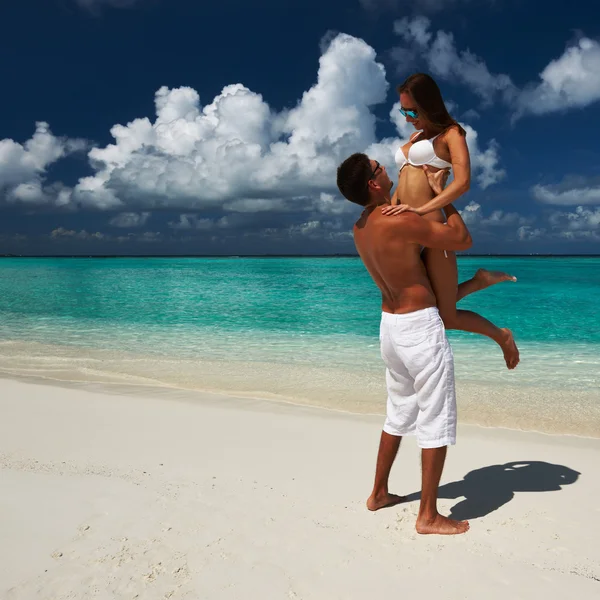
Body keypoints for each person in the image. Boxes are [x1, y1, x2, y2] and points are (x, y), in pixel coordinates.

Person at [336, 152, 480, 535]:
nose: (385, 167)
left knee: (398, 413)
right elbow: (461, 239)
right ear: (373, 182)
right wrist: (443, 195)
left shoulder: (361, 227)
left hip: (389, 327)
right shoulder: (398, 222)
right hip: (418, 328)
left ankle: (378, 493)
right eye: (379, 167)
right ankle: (428, 516)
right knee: (435, 417)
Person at [383, 73, 519, 370]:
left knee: (447, 317)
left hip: (434, 232)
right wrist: (387, 216)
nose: (407, 118)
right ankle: (480, 281)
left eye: (412, 111)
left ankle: (501, 336)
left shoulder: (452, 134)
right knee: (424, 304)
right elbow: (402, 184)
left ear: (429, 105)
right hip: (407, 232)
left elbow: (463, 183)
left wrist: (421, 210)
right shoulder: (415, 138)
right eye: (403, 111)